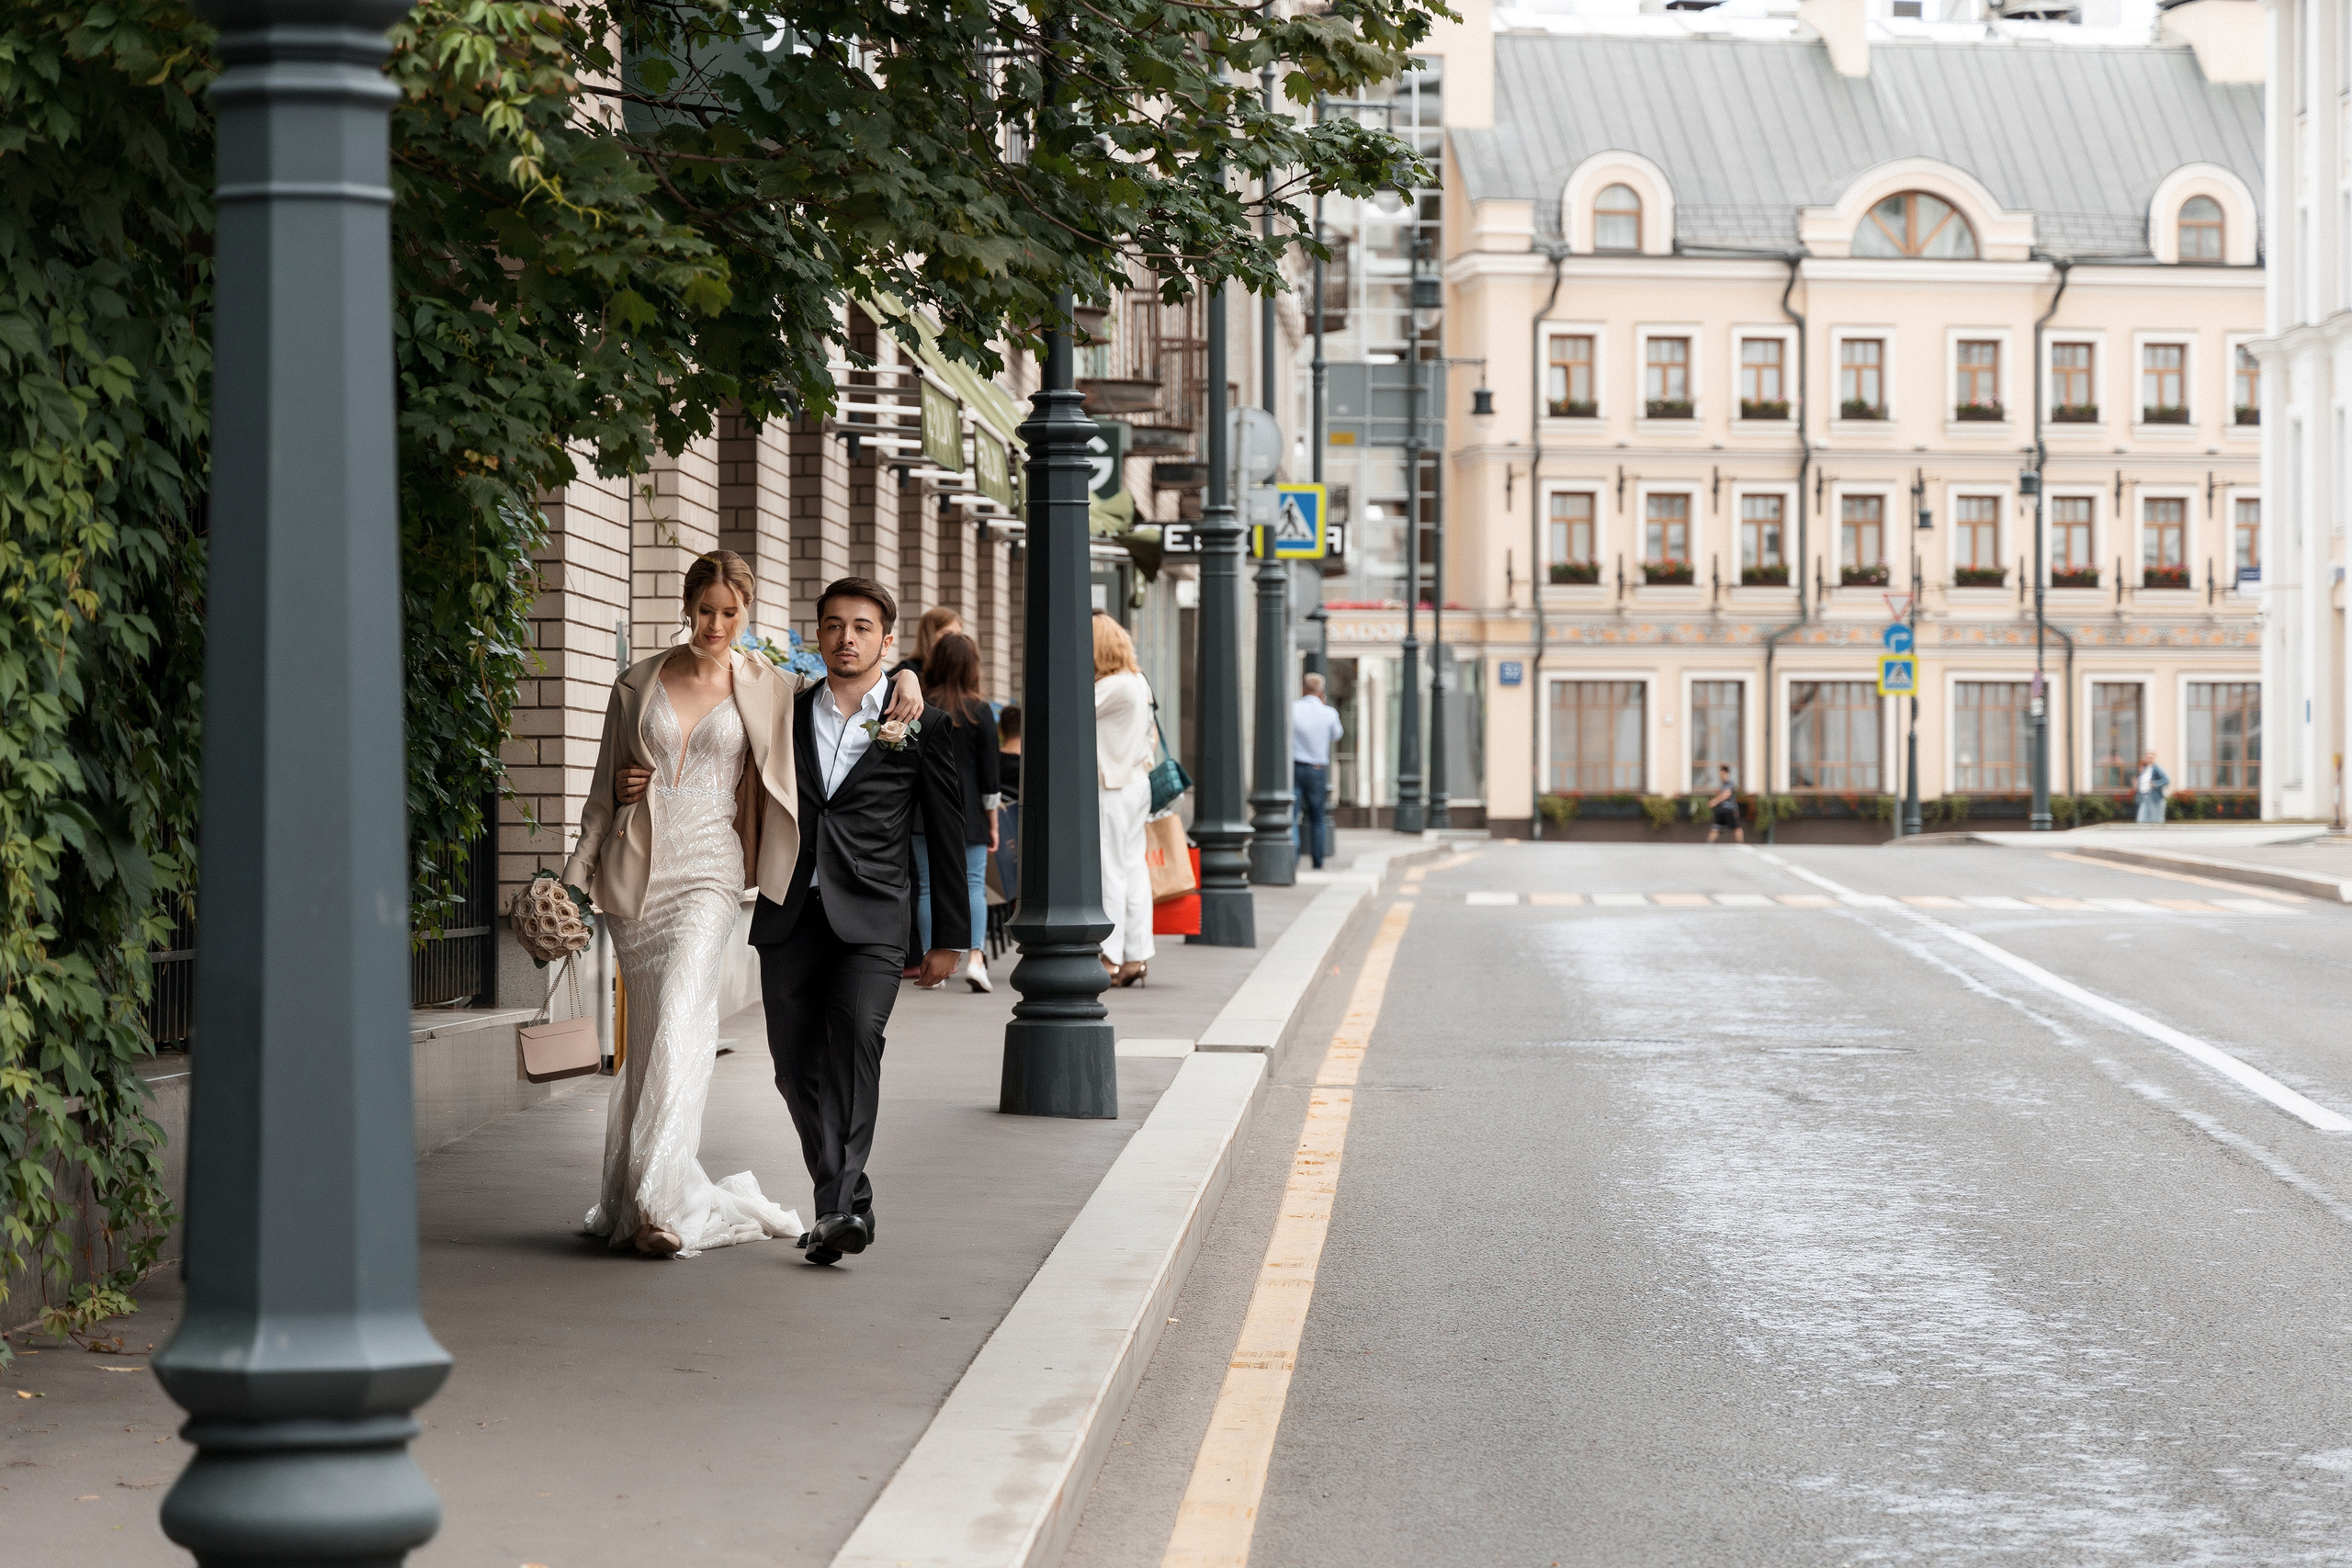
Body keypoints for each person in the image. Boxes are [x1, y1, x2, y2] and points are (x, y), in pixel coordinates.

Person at [564, 551, 923, 1258]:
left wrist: (906, 669)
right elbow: (605, 792)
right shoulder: (636, 684)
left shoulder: (770, 685)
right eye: (705, 610)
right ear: (686, 606)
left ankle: (660, 1207)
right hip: (640, 877)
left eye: (730, 613)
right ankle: (633, 1191)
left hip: (710, 873)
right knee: (648, 1043)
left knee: (682, 1023)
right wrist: (577, 878)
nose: (716, 625)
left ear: (747, 614)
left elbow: (855, 679)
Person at [750, 576, 967, 1265]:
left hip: (874, 913)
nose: (848, 637)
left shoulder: (921, 723)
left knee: (855, 1038)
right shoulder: (784, 710)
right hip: (791, 910)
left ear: (886, 638)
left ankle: (835, 1208)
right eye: (835, 625)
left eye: (864, 627)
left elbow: (947, 830)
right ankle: (854, 1199)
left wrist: (950, 937)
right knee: (793, 1069)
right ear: (817, 635)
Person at [912, 631, 1001, 992]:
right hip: (969, 811)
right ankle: (976, 960)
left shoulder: (920, 705)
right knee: (973, 885)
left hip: (922, 810)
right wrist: (993, 822)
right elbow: (990, 777)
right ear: (971, 666)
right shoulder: (980, 711)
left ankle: (930, 967)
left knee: (927, 886)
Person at [1093, 612, 1156, 987]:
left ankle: (1110, 956)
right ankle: (1136, 955)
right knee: (1133, 870)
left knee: (1110, 870)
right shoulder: (1137, 681)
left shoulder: (1112, 686)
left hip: (1111, 786)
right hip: (1135, 782)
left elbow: (1067, 713)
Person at [1290, 671, 1345, 870]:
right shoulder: (1329, 712)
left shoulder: (1293, 709)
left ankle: (1294, 857)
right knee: (1317, 817)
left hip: (1296, 767)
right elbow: (1337, 735)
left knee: (1293, 815)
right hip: (1317, 770)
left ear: (1304, 689)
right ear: (1321, 692)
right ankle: (1318, 860)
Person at [890, 605, 964, 683]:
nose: (955, 640)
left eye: (958, 635)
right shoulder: (908, 670)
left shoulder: (959, 671)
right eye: (948, 634)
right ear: (930, 634)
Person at [994, 705, 1022, 907]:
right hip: (1024, 844)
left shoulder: (991, 762)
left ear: (1001, 731)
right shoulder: (1031, 766)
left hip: (995, 849)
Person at [1705, 763, 1744, 844]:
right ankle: (1709, 844)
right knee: (1716, 827)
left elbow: (1727, 795)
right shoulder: (1723, 784)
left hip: (1729, 809)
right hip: (1722, 810)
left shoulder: (1730, 783)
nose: (1720, 776)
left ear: (1725, 772)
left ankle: (1741, 844)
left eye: (1721, 773)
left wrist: (1715, 801)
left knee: (1735, 827)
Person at [2134, 750, 2171, 823]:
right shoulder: (2145, 769)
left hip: (2155, 798)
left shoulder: (2157, 769)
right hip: (2144, 798)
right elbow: (2143, 781)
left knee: (2156, 821)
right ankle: (2145, 834)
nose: (2149, 759)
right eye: (2147, 757)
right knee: (2141, 820)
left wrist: (2155, 784)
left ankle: (2159, 834)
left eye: (2151, 758)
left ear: (2154, 758)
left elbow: (2166, 780)